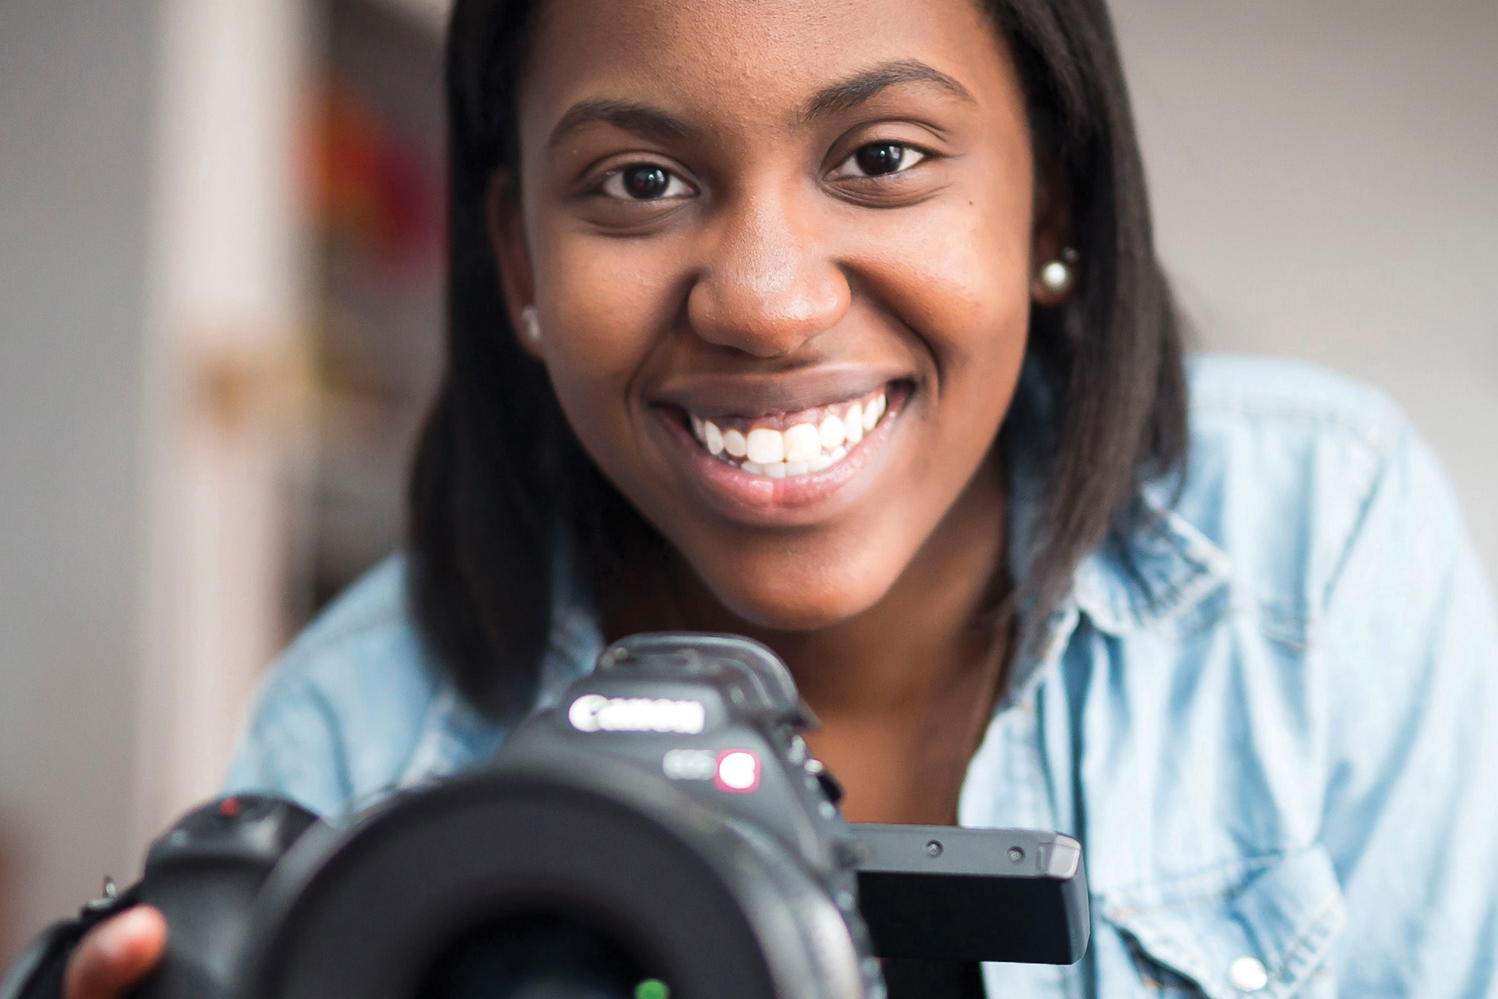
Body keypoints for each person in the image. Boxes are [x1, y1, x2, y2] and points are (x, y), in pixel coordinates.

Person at [49, 0, 1498, 996]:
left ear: (1051, 196)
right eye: (634, 179)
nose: (763, 301)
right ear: (517, 264)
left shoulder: (1314, 552)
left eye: (879, 160)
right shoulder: (361, 727)